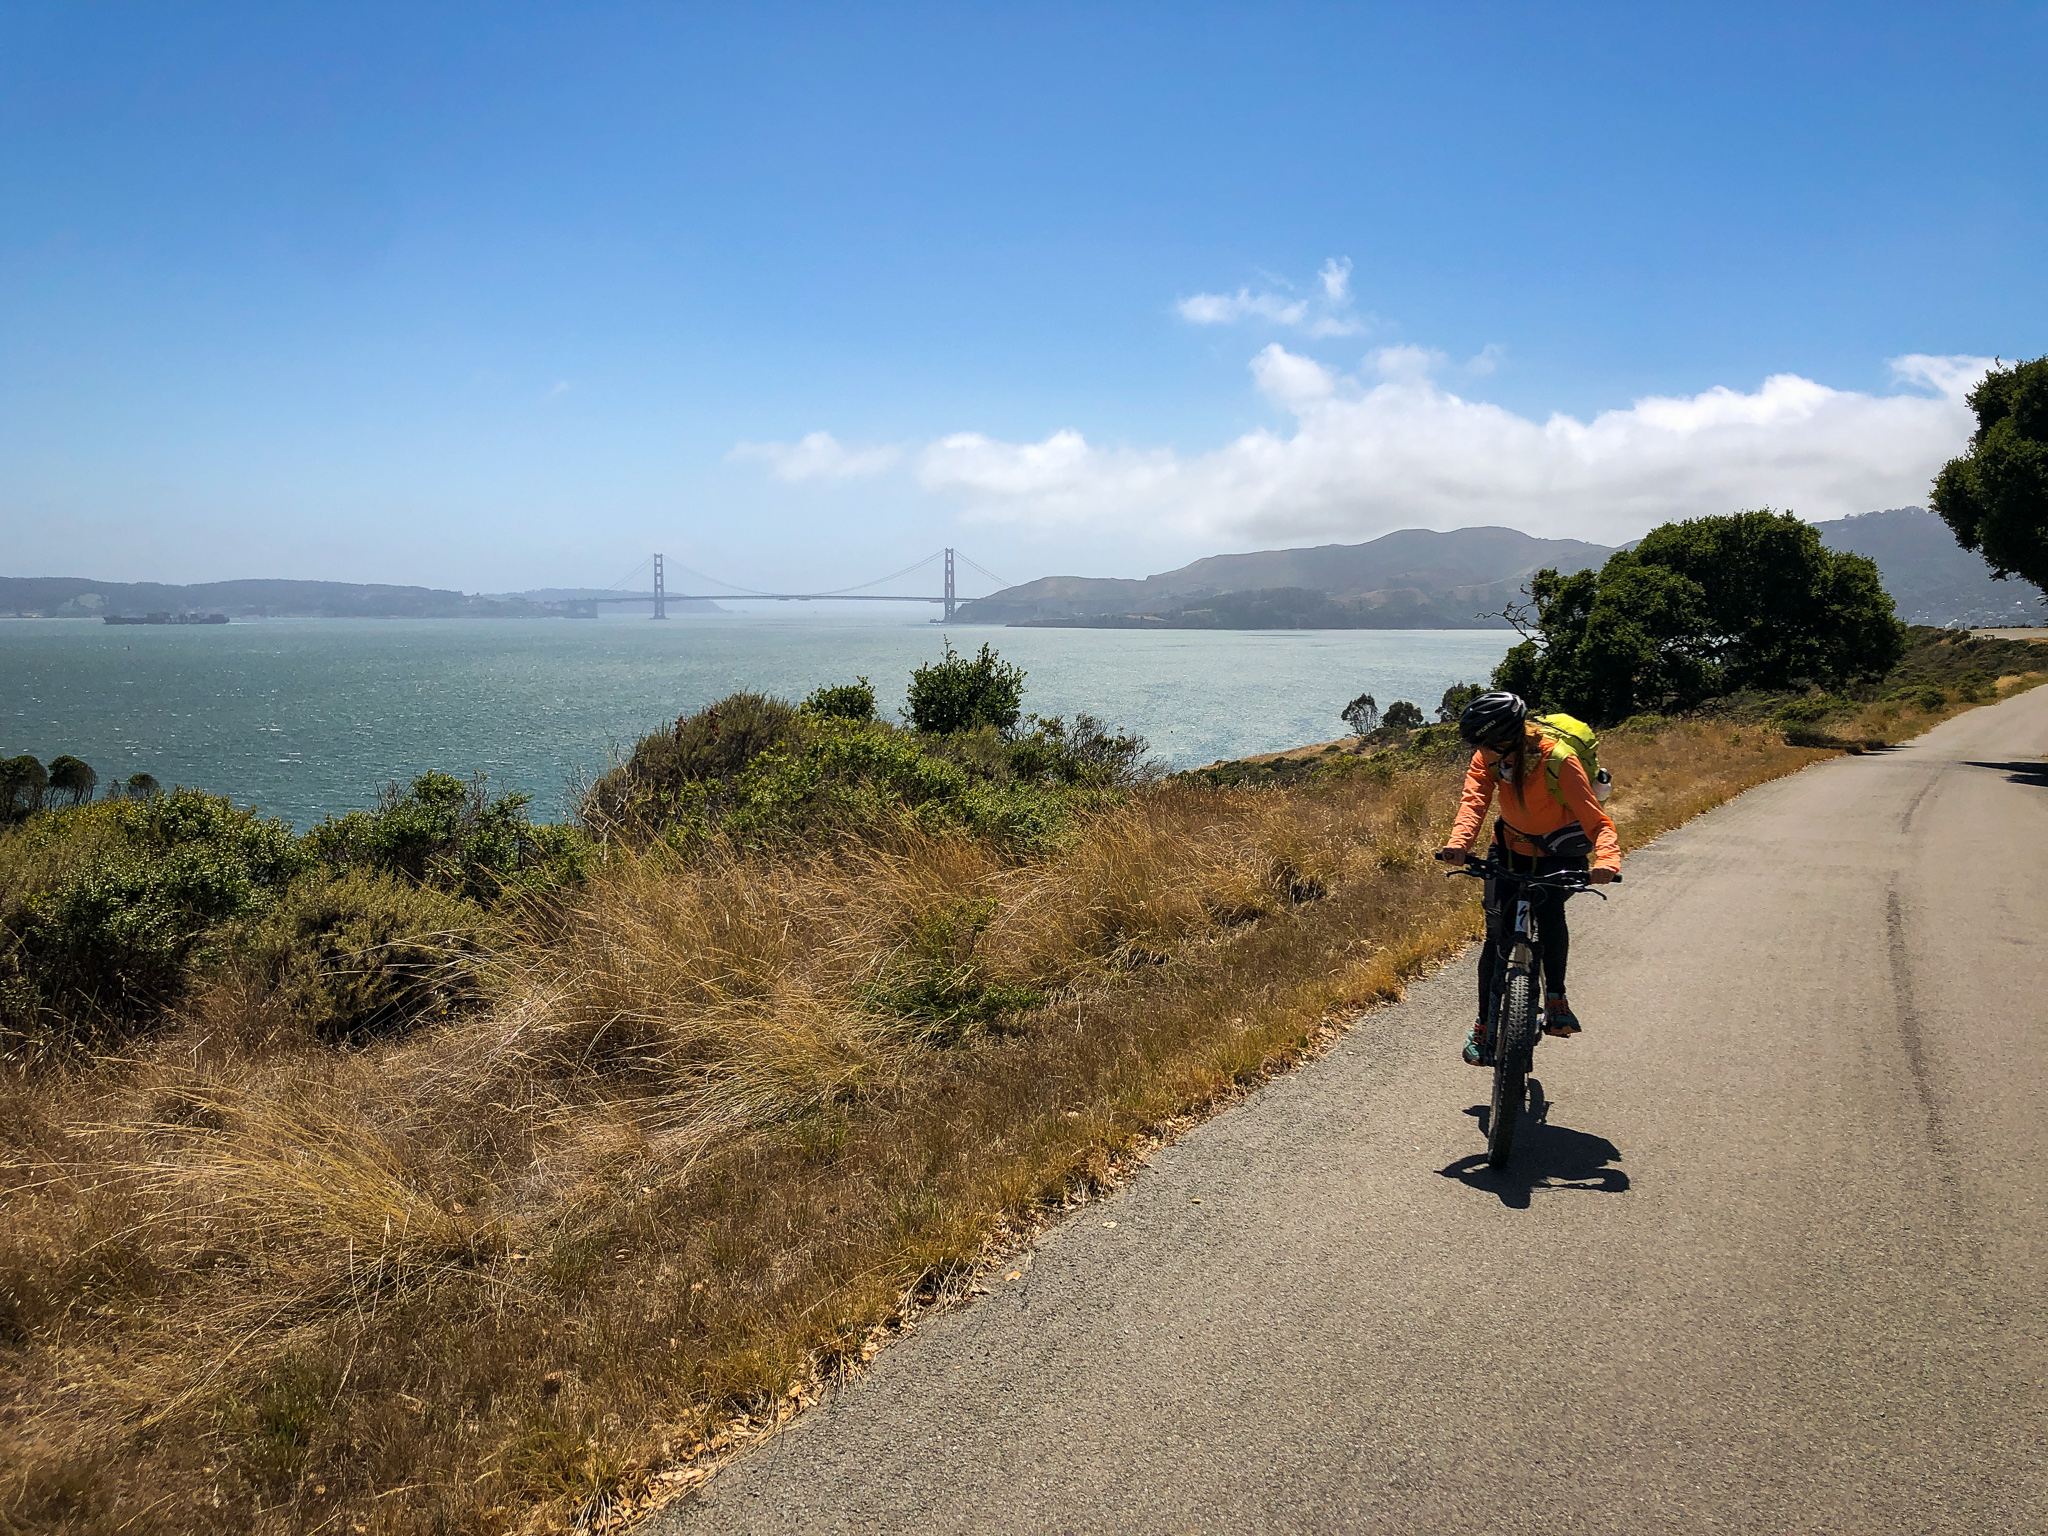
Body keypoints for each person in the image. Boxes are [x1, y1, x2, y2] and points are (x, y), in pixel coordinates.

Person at [1434, 691, 1619, 1066]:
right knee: (1496, 934)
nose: (1486, 752)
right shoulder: (1489, 756)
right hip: (1510, 846)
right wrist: (1459, 843)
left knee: (1551, 915)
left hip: (1559, 851)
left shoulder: (1558, 760)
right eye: (1483, 746)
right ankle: (1484, 1024)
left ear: (1514, 735)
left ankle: (1556, 999)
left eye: (1494, 744)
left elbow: (1596, 820)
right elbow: (1474, 801)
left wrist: (1607, 860)